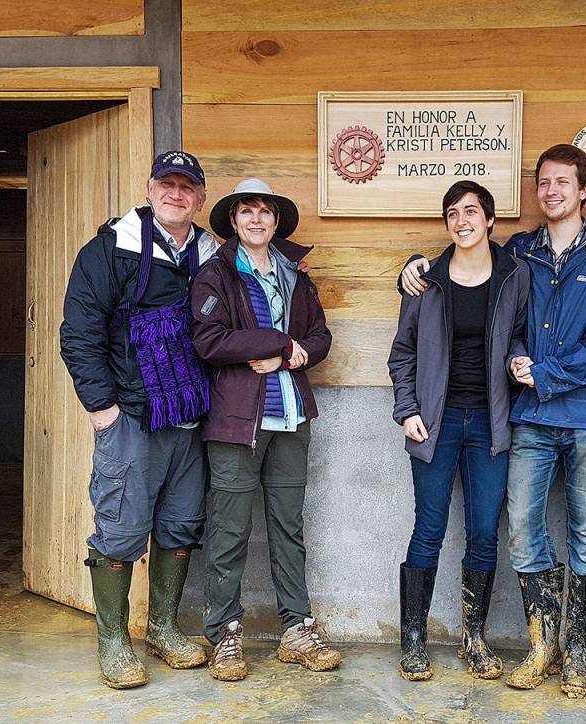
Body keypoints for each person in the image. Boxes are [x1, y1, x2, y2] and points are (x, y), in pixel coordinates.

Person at [401, 145, 586, 697]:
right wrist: (414, 268)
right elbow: (476, 289)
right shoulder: (521, 253)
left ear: (584, 190)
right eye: (543, 182)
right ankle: (539, 645)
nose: (551, 191)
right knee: (523, 533)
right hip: (525, 416)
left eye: (562, 182)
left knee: (585, 534)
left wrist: (543, 371)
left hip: (583, 414)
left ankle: (575, 653)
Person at [60, 150, 215, 688]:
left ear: (199, 198)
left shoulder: (209, 253)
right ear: (150, 189)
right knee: (122, 529)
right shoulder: (110, 250)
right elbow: (78, 333)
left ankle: (165, 629)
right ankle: (113, 642)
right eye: (166, 185)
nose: (176, 195)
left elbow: (269, 262)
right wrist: (102, 409)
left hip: (190, 418)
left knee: (180, 525)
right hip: (129, 415)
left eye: (187, 188)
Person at [190, 178, 339, 682]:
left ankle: (297, 629)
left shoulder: (295, 274)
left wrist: (296, 351)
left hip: (291, 415)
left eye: (265, 212)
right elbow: (209, 342)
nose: (256, 219)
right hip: (237, 422)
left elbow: (319, 337)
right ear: (233, 221)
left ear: (276, 222)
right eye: (246, 212)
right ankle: (224, 635)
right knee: (230, 531)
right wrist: (278, 340)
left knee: (288, 528)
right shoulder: (216, 275)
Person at [388, 181, 530, 681]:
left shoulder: (515, 275)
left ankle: (474, 639)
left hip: (491, 423)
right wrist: (407, 409)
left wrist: (518, 358)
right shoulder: (425, 281)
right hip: (435, 423)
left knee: (485, 533)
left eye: (471, 211)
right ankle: (413, 642)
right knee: (427, 530)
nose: (462, 220)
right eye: (453, 213)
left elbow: (521, 333)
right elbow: (402, 352)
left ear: (490, 221)